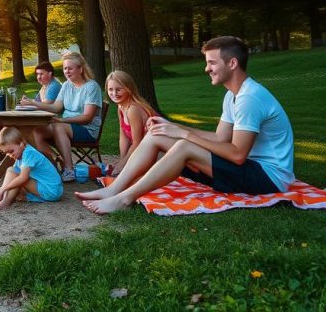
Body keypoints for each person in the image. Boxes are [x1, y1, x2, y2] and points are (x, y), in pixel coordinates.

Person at [78, 36, 295, 214]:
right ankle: (115, 188)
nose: (206, 69)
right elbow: (220, 138)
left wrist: (183, 134)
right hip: (248, 169)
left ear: (232, 63)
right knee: (157, 134)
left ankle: (124, 200)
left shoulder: (250, 98)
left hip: (268, 178)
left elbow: (237, 154)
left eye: (211, 62)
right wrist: (171, 127)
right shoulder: (233, 95)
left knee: (183, 146)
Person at [19, 51, 103, 182]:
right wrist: (33, 104)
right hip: (67, 126)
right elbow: (56, 107)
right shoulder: (66, 85)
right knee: (36, 131)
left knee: (58, 127)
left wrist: (62, 120)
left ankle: (69, 170)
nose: (67, 72)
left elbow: (87, 117)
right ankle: (55, 162)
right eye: (65, 68)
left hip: (87, 129)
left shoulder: (91, 87)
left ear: (80, 69)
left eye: (70, 68)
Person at [0, 127, 63, 208]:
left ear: (22, 143)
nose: (10, 155)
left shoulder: (28, 153)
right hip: (50, 189)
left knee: (12, 171)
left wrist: (2, 189)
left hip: (51, 190)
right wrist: (3, 189)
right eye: (7, 153)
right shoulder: (21, 155)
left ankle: (5, 202)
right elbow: (12, 177)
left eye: (11, 151)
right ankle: (3, 196)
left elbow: (23, 178)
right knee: (13, 178)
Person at [106, 70, 156, 176]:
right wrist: (122, 161)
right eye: (110, 89)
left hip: (158, 153)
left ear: (129, 89)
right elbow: (124, 137)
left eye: (118, 89)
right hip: (144, 150)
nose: (114, 93)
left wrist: (123, 165)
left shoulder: (133, 109)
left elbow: (137, 142)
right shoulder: (121, 107)